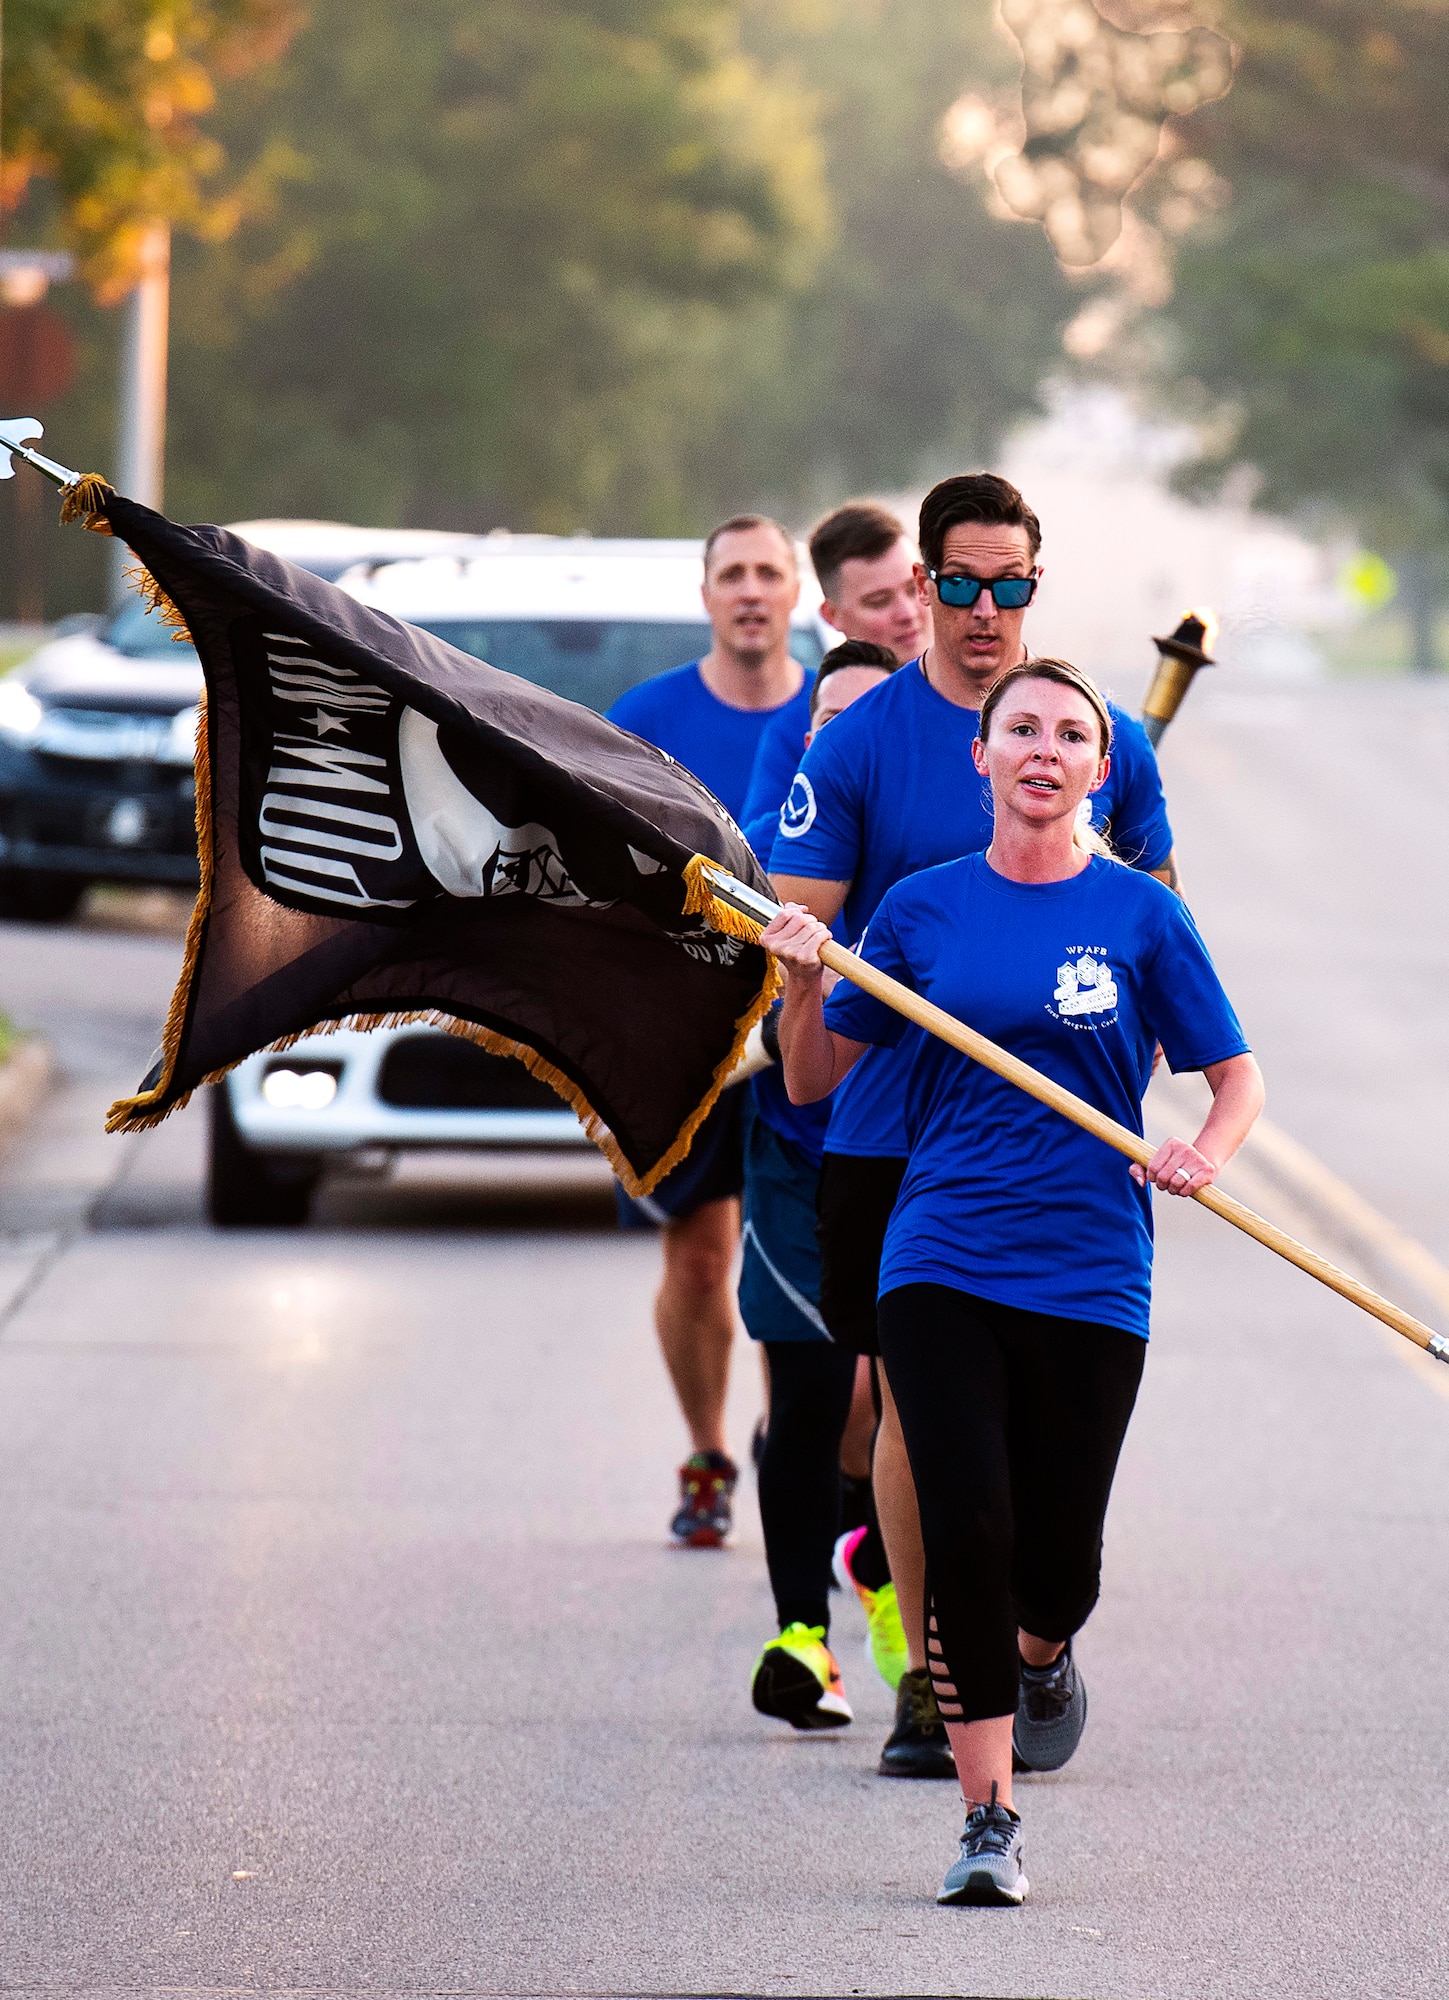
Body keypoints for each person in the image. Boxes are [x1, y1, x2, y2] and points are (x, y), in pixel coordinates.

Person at [763, 656, 1262, 1905]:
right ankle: (988, 1815)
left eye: (1072, 734)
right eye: (1021, 729)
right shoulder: (922, 911)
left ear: (1103, 767)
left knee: (1061, 1562)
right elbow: (814, 1078)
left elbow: (1235, 1075)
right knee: (966, 1526)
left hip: (1094, 1265)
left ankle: (1046, 1655)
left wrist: (1205, 1148)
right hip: (941, 1253)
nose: (1045, 748)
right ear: (980, 759)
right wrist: (803, 969)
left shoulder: (1146, 916)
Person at [768, 473, 1181, 1779]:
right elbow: (808, 947)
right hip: (895, 1134)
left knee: (1047, 1440)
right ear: (923, 585)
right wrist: (805, 975)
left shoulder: (1096, 734)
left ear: (1035, 586)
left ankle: (1030, 1634)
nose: (985, 608)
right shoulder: (863, 744)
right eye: (959, 583)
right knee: (906, 1405)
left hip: (1058, 1144)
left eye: (1011, 585)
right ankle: (932, 1672)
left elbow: (1161, 944)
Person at [607, 516, 809, 1548]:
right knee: (698, 1257)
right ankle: (707, 1449)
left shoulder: (833, 713)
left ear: (796, 593)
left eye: (768, 573)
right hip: (690, 1038)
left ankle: (798, 1447)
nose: (750, 591)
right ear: (707, 593)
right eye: (732, 573)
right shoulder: (645, 717)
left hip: (808, 1034)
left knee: (792, 1262)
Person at [738, 640, 902, 1731]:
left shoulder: (940, 860)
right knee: (807, 1396)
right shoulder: (757, 863)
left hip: (917, 1156)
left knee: (909, 1402)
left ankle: (890, 1580)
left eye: (865, 719)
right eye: (825, 719)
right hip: (797, 1152)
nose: (841, 737)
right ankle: (804, 1636)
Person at [741, 502, 928, 836]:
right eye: (879, 601)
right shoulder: (798, 728)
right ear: (831, 616)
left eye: (915, 589)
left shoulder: (988, 703)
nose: (908, 612)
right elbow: (757, 854)